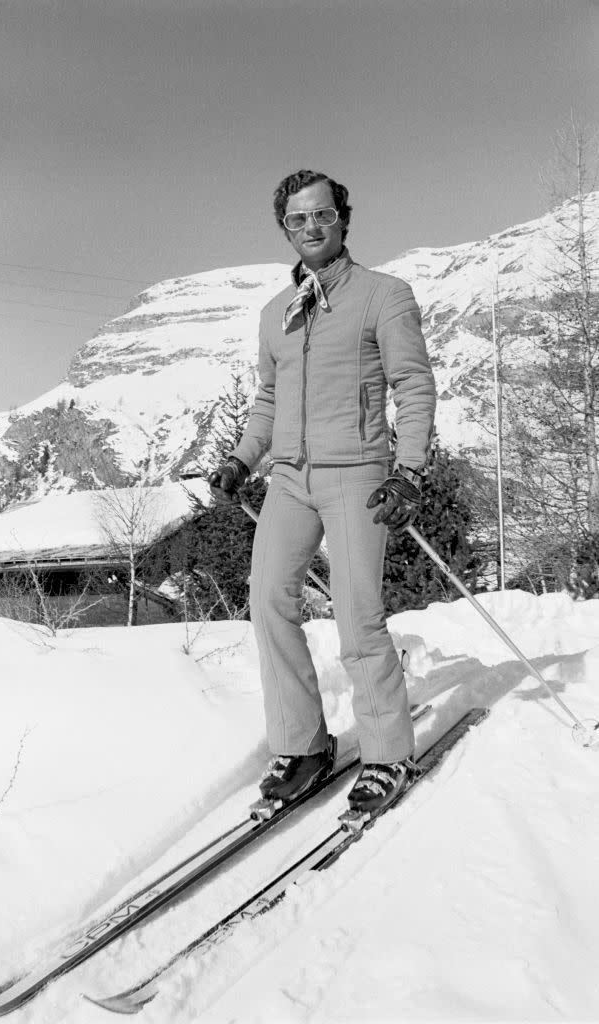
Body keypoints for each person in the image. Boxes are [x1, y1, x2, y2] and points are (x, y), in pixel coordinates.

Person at [209, 169, 436, 815]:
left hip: (358, 475)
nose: (310, 227)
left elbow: (413, 386)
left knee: (356, 616)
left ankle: (388, 753)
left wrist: (409, 472)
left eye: (321, 215)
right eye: (296, 220)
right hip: (289, 478)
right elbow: (268, 399)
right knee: (268, 602)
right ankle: (302, 744)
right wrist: (238, 460)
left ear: (343, 218)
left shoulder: (383, 296)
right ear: (285, 228)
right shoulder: (274, 315)